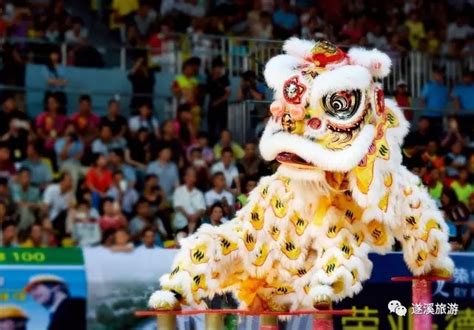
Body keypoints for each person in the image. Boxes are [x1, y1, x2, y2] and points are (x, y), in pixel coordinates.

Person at [172, 167, 206, 234]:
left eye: (193, 176)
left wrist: (195, 216)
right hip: (181, 223)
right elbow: (178, 206)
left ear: (195, 179)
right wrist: (188, 216)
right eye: (189, 175)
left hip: (196, 224)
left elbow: (202, 209)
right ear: (185, 177)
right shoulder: (178, 191)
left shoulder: (199, 193)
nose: (190, 178)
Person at [43, 172, 74, 238]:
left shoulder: (69, 193)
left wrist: (70, 195)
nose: (71, 183)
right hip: (50, 218)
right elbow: (45, 206)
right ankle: (68, 235)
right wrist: (46, 219)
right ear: (62, 181)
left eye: (71, 181)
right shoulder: (51, 189)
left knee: (73, 212)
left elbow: (69, 209)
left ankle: (69, 235)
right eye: (69, 180)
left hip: (61, 219)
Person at [206, 57, 231, 142]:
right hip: (212, 107)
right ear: (213, 68)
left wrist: (218, 101)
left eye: (221, 68)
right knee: (211, 127)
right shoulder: (209, 78)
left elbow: (228, 93)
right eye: (218, 68)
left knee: (222, 127)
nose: (219, 70)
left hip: (222, 107)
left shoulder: (225, 79)